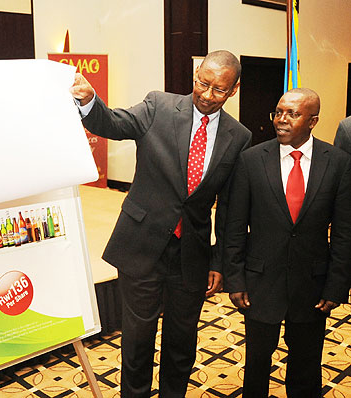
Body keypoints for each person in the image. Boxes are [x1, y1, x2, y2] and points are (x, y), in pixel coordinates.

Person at [70, 50, 251, 397]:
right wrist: (91, 101)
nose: (208, 95)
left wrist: (218, 262)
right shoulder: (159, 106)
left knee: (182, 345)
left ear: (234, 90)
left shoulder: (238, 136)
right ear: (196, 75)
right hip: (142, 246)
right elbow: (113, 123)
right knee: (137, 345)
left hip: (192, 256)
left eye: (219, 90)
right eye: (203, 83)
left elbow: (229, 210)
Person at [224, 88, 351, 397]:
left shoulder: (337, 163)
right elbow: (235, 228)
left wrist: (336, 287)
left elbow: (345, 233)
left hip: (312, 287)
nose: (281, 120)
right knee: (256, 365)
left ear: (313, 121)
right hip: (259, 284)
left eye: (292, 114)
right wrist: (236, 280)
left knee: (306, 366)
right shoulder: (251, 160)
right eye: (278, 112)